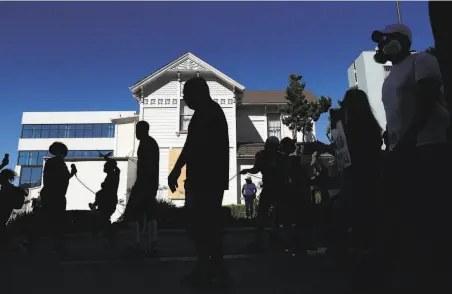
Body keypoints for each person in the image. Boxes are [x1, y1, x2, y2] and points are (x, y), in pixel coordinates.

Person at [372, 23, 451, 291]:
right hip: (401, 150)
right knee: (407, 210)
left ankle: (437, 270)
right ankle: (414, 266)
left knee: (431, 210)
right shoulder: (389, 77)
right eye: (383, 41)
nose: (385, 44)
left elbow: (429, 99)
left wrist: (410, 135)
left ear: (404, 41)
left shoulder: (422, 60)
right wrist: (391, 137)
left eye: (390, 38)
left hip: (428, 145)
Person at [168, 77, 230, 286]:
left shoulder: (208, 113)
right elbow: (191, 146)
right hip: (207, 179)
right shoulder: (207, 112)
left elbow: (192, 146)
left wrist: (176, 170)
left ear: (198, 93)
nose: (185, 99)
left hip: (206, 180)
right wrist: (178, 170)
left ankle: (210, 266)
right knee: (205, 224)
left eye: (187, 94)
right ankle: (211, 266)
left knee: (201, 223)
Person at [27, 142, 77, 253]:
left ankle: (34, 243)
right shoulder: (57, 162)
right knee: (54, 220)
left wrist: (71, 174)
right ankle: (54, 244)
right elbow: (59, 179)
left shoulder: (53, 162)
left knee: (46, 219)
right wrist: (71, 174)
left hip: (52, 195)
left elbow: (56, 178)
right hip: (55, 196)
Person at [240, 136, 287, 252]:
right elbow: (256, 169)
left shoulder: (276, 157)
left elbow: (257, 169)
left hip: (276, 188)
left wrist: (248, 170)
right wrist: (247, 170)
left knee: (274, 213)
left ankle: (272, 238)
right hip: (271, 188)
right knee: (264, 213)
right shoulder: (263, 156)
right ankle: (263, 238)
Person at [121, 121, 159, 257]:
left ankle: (137, 244)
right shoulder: (152, 143)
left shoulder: (145, 145)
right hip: (151, 185)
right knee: (150, 215)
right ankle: (152, 244)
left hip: (143, 184)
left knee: (131, 214)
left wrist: (138, 185)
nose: (136, 133)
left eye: (138, 130)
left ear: (143, 130)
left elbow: (145, 168)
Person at [89, 156, 120, 244]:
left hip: (107, 202)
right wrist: (109, 160)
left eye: (105, 166)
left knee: (103, 219)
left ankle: (111, 236)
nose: (104, 167)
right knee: (104, 218)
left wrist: (95, 204)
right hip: (111, 201)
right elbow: (118, 170)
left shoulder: (111, 177)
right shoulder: (115, 175)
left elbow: (103, 193)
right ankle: (111, 237)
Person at [0, 169, 28, 248]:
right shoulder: (6, 188)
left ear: (4, 178)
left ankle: (18, 241)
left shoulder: (8, 188)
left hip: (4, 210)